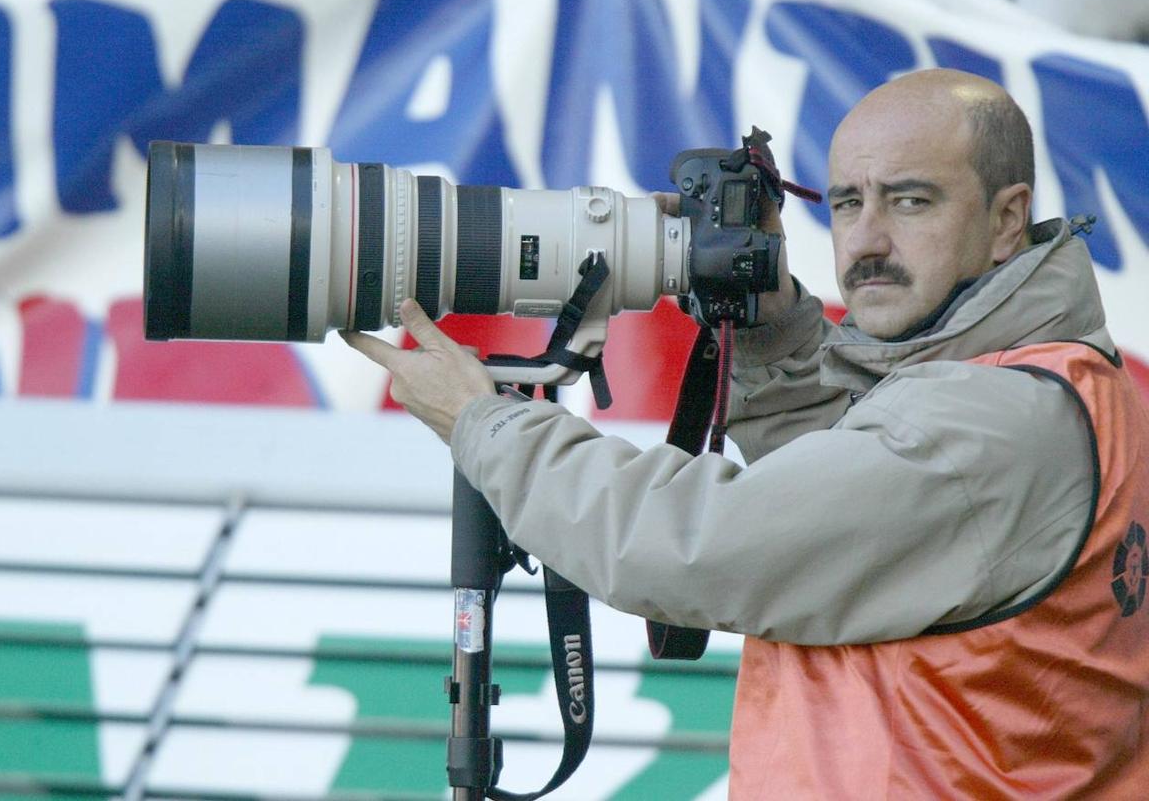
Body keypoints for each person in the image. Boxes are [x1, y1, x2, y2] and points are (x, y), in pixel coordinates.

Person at [344, 69, 1149, 797]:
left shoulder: (989, 426)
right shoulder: (1059, 382)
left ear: (1008, 219)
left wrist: (486, 426)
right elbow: (859, 499)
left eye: (910, 200)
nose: (866, 241)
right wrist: (768, 331)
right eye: (844, 203)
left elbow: (692, 544)